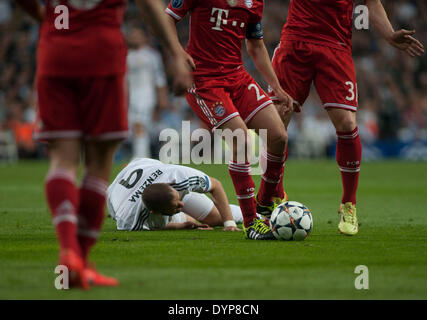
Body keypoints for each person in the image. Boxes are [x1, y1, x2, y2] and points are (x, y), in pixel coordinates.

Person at [15, 0, 193, 290]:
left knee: (62, 162)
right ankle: (80, 261)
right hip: (102, 55)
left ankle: (68, 254)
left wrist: (44, 18)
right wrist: (175, 52)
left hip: (56, 51)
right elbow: (148, 4)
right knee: (97, 167)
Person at [269, 0, 424, 236]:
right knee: (278, 123)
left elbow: (371, 3)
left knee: (348, 123)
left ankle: (348, 204)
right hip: (295, 43)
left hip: (335, 48)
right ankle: (275, 194)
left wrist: (390, 34)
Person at [165, 0, 293, 240]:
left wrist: (276, 87)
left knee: (278, 136)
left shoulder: (255, 2)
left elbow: (255, 44)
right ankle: (252, 222)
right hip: (203, 80)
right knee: (242, 141)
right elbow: (168, 17)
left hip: (236, 76)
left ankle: (265, 201)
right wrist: (178, 52)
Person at [107, 158, 243, 232]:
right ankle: (179, 216)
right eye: (177, 207)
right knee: (192, 222)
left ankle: (256, 215)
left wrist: (229, 223)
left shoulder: (178, 177)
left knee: (215, 218)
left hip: (142, 166)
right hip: (121, 195)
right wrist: (183, 225)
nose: (182, 205)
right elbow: (155, 226)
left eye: (178, 201)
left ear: (171, 187)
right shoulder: (130, 220)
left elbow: (216, 185)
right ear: (155, 212)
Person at [126, 27, 168, 159]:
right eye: (132, 35)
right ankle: (143, 156)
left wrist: (162, 98)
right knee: (135, 128)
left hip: (146, 96)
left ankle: (139, 157)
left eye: (137, 35)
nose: (134, 38)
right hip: (130, 96)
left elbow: (159, 78)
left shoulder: (151, 55)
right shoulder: (127, 55)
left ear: (144, 37)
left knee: (140, 126)